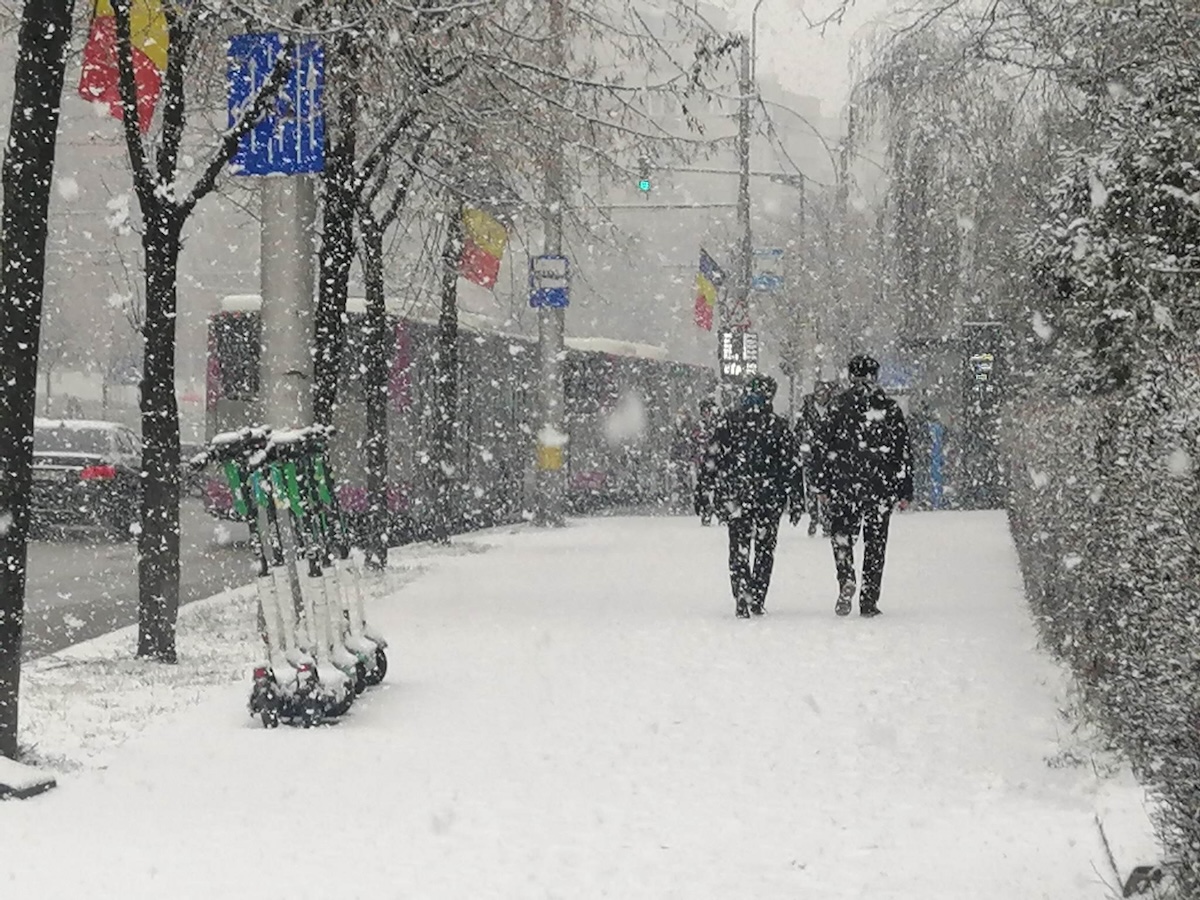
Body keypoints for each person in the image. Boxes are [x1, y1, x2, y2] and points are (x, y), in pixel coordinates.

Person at [809, 355, 913, 618]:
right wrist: (904, 489)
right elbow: (902, 451)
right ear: (875, 376)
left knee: (842, 535)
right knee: (876, 542)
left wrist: (821, 483)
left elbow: (820, 447)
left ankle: (846, 577)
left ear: (850, 375)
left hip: (843, 484)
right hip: (880, 486)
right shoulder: (889, 408)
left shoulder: (838, 407)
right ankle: (869, 599)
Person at [696, 375, 804, 618]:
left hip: (737, 494)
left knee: (738, 545)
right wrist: (796, 498)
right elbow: (791, 465)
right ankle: (757, 595)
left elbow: (712, 458)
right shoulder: (778, 426)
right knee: (765, 547)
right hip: (769, 496)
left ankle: (742, 591)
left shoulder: (730, 422)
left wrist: (705, 490)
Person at [796, 380, 838, 536]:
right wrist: (806, 440)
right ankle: (814, 517)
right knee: (812, 487)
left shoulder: (834, 409)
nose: (821, 396)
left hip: (828, 455)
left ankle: (827, 519)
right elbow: (799, 429)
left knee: (827, 487)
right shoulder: (807, 409)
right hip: (811, 454)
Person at [691, 398, 719, 525]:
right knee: (704, 487)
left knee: (718, 487)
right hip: (705, 461)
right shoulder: (699, 425)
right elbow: (695, 440)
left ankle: (718, 511)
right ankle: (706, 510)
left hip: (715, 461)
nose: (706, 413)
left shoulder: (717, 424)